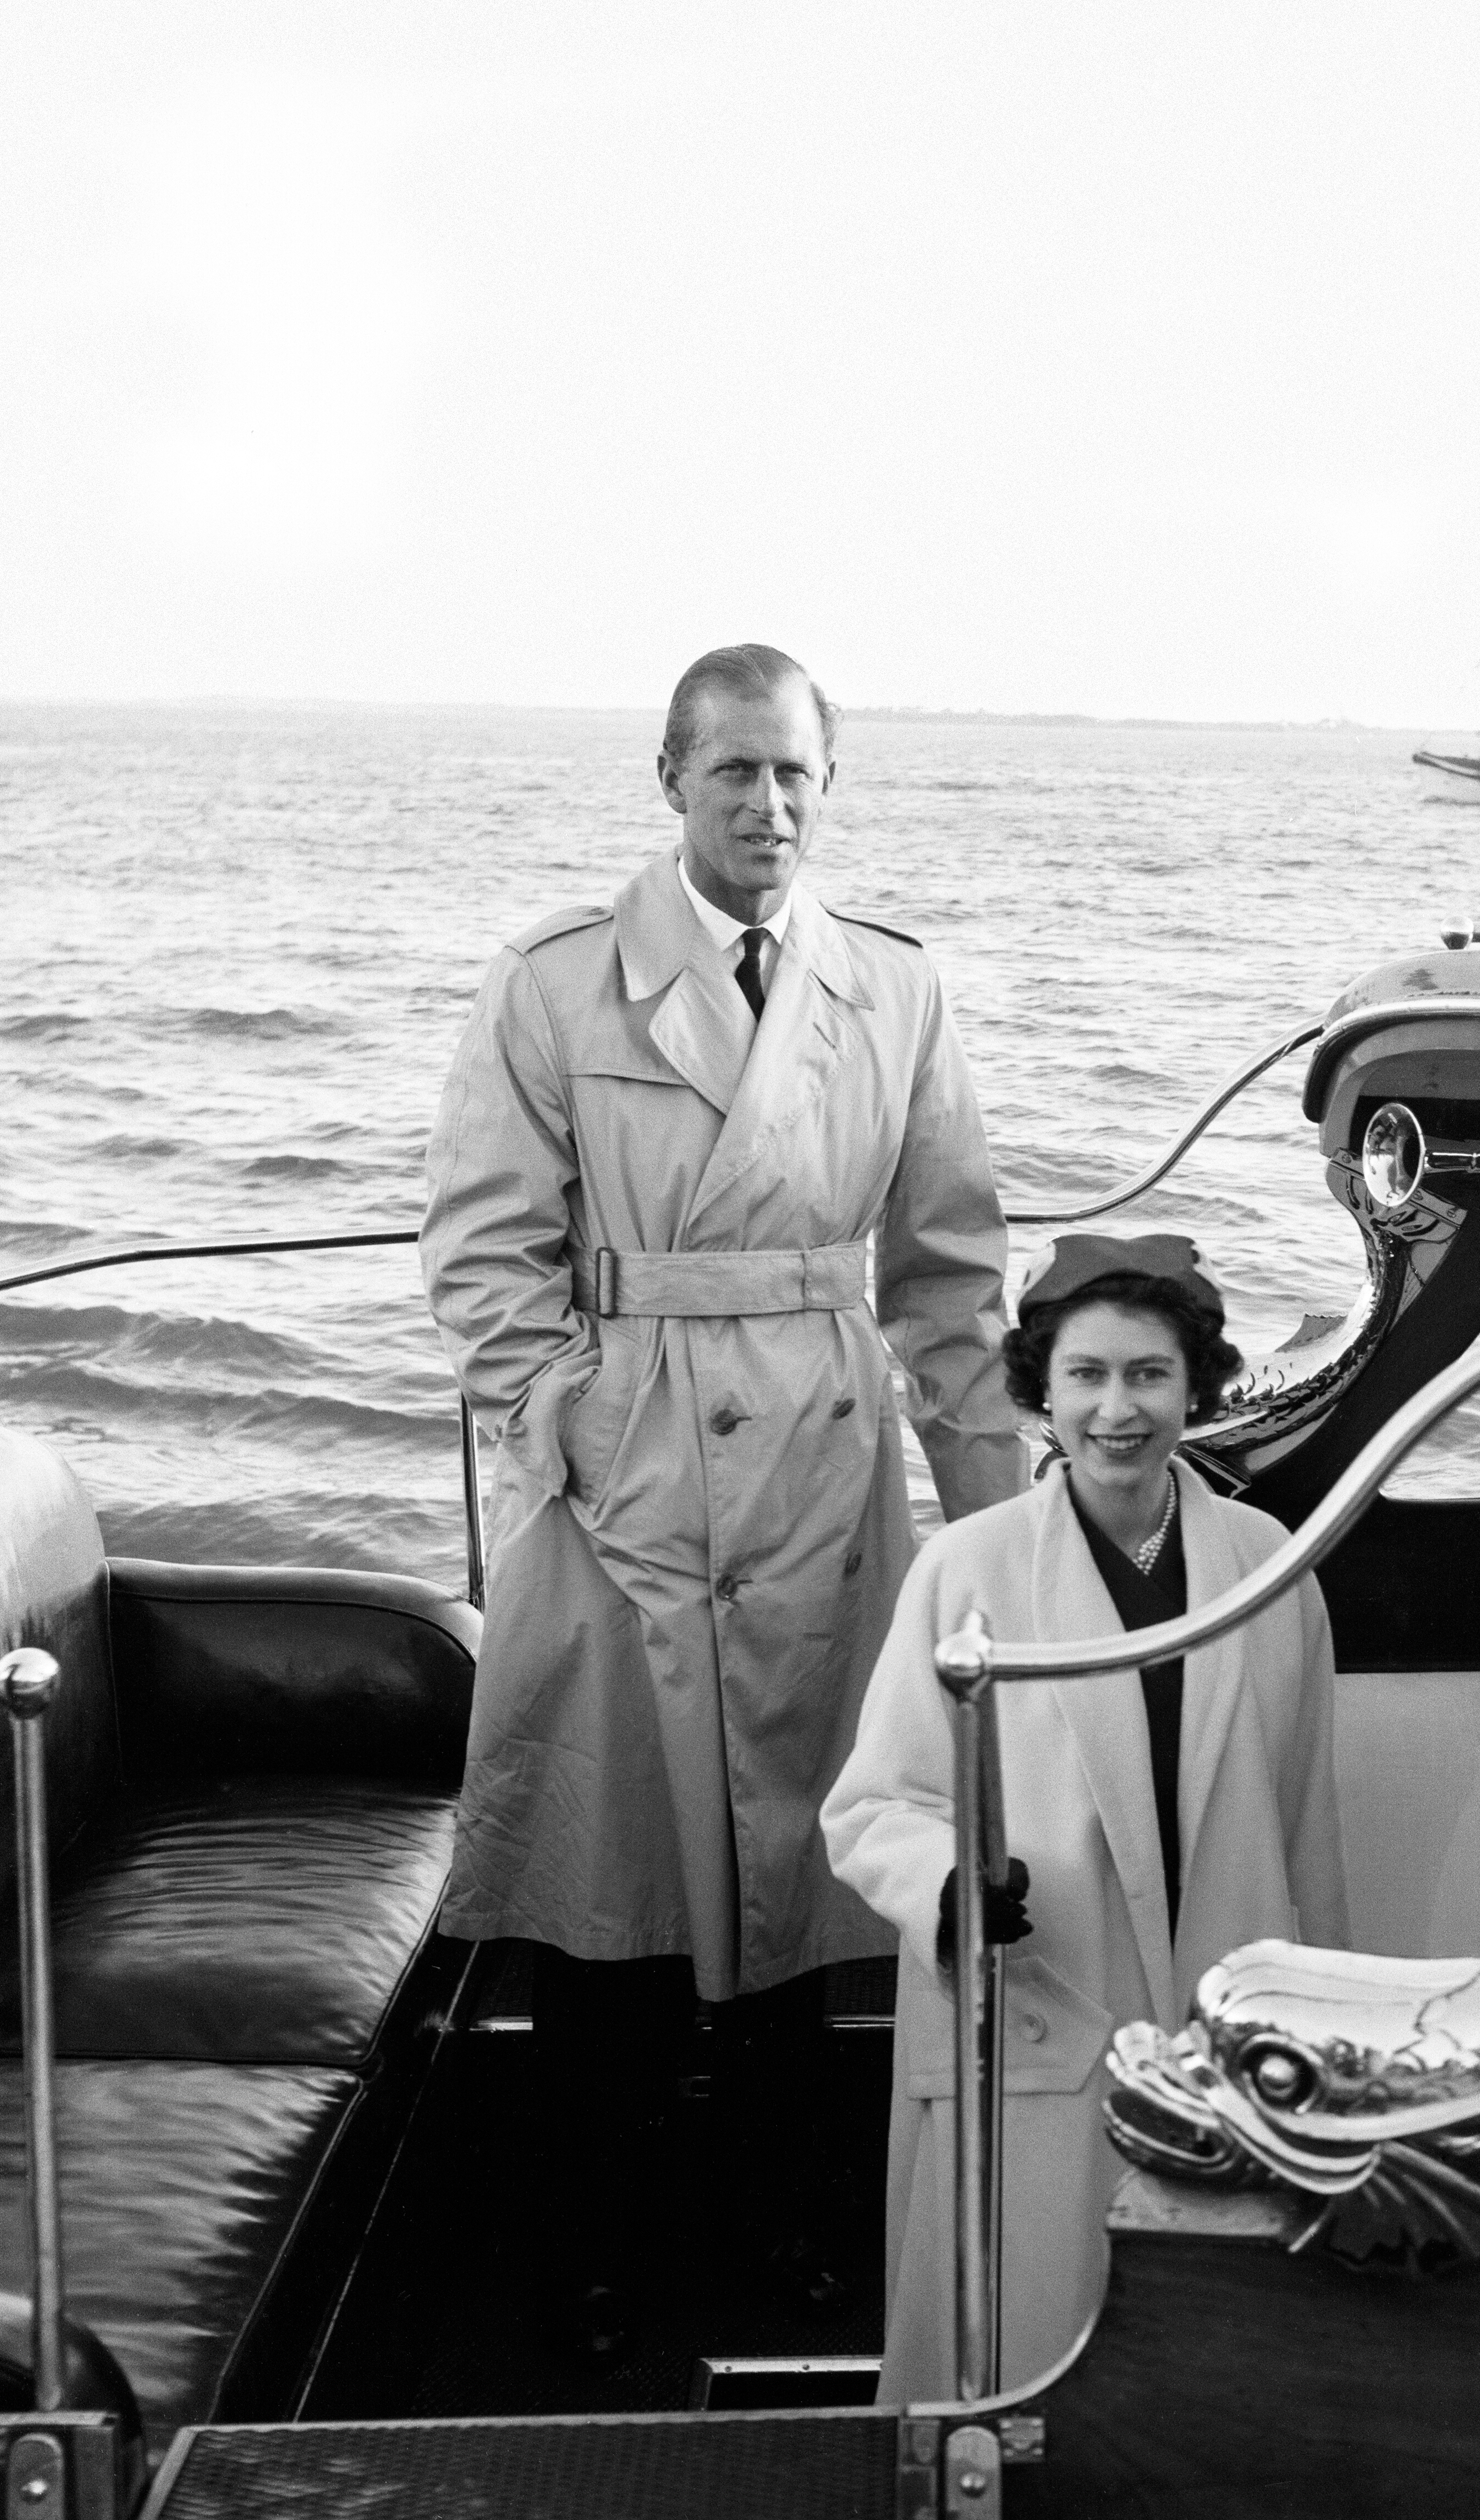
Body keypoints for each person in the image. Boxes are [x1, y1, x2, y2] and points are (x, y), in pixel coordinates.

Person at [421, 641, 1023, 2359]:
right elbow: (482, 1257)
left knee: (811, 1866)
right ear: (672, 779)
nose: (768, 804)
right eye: (735, 770)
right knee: (609, 1876)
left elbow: (950, 1276)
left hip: (826, 1466)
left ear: (830, 787)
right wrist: (583, 1425)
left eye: (795, 773)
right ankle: (591, 2249)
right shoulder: (555, 982)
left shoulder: (894, 986)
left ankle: (785, 2218)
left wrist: (1004, 1528)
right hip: (628, 1467)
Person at [822, 1233, 1348, 2401]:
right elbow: (873, 1806)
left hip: (1221, 2019)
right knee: (1017, 2348)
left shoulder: (1270, 1565)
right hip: (1039, 2003)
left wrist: (1315, 2030)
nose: (1119, 1409)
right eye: (1088, 1375)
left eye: (1150, 1374)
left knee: (1206, 2376)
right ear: (1041, 1391)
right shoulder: (966, 1567)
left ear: (1196, 1386)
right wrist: (950, 1887)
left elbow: (1308, 1823)